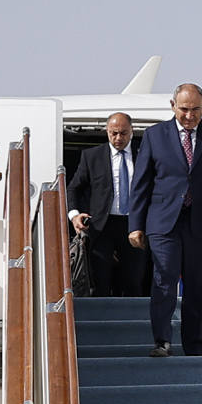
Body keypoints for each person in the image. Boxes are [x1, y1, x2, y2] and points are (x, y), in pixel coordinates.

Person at [127, 83, 202, 357]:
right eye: (184, 109)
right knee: (164, 280)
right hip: (163, 221)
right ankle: (162, 341)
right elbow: (141, 183)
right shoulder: (155, 135)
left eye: (196, 110)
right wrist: (136, 225)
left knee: (198, 285)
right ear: (172, 106)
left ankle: (194, 346)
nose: (189, 116)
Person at [67, 112, 147, 297]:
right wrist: (74, 215)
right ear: (107, 131)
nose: (118, 138)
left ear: (132, 131)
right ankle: (100, 315)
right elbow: (74, 188)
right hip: (101, 226)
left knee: (133, 280)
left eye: (123, 133)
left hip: (134, 224)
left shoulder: (145, 154)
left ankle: (132, 315)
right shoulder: (92, 156)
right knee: (99, 279)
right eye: (113, 133)